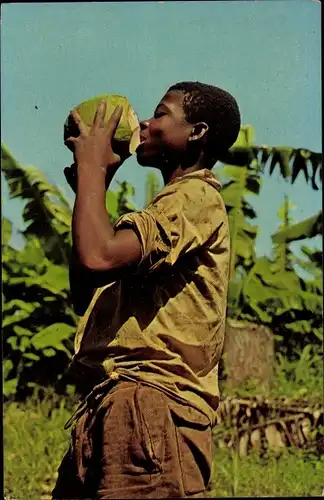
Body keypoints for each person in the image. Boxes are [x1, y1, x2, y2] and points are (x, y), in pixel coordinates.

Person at [52, 81, 241, 499]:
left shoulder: (195, 198)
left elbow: (97, 257)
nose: (146, 122)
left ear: (197, 132)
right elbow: (86, 283)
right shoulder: (164, 211)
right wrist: (95, 179)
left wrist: (91, 169)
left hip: (150, 408)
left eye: (161, 113)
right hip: (119, 404)